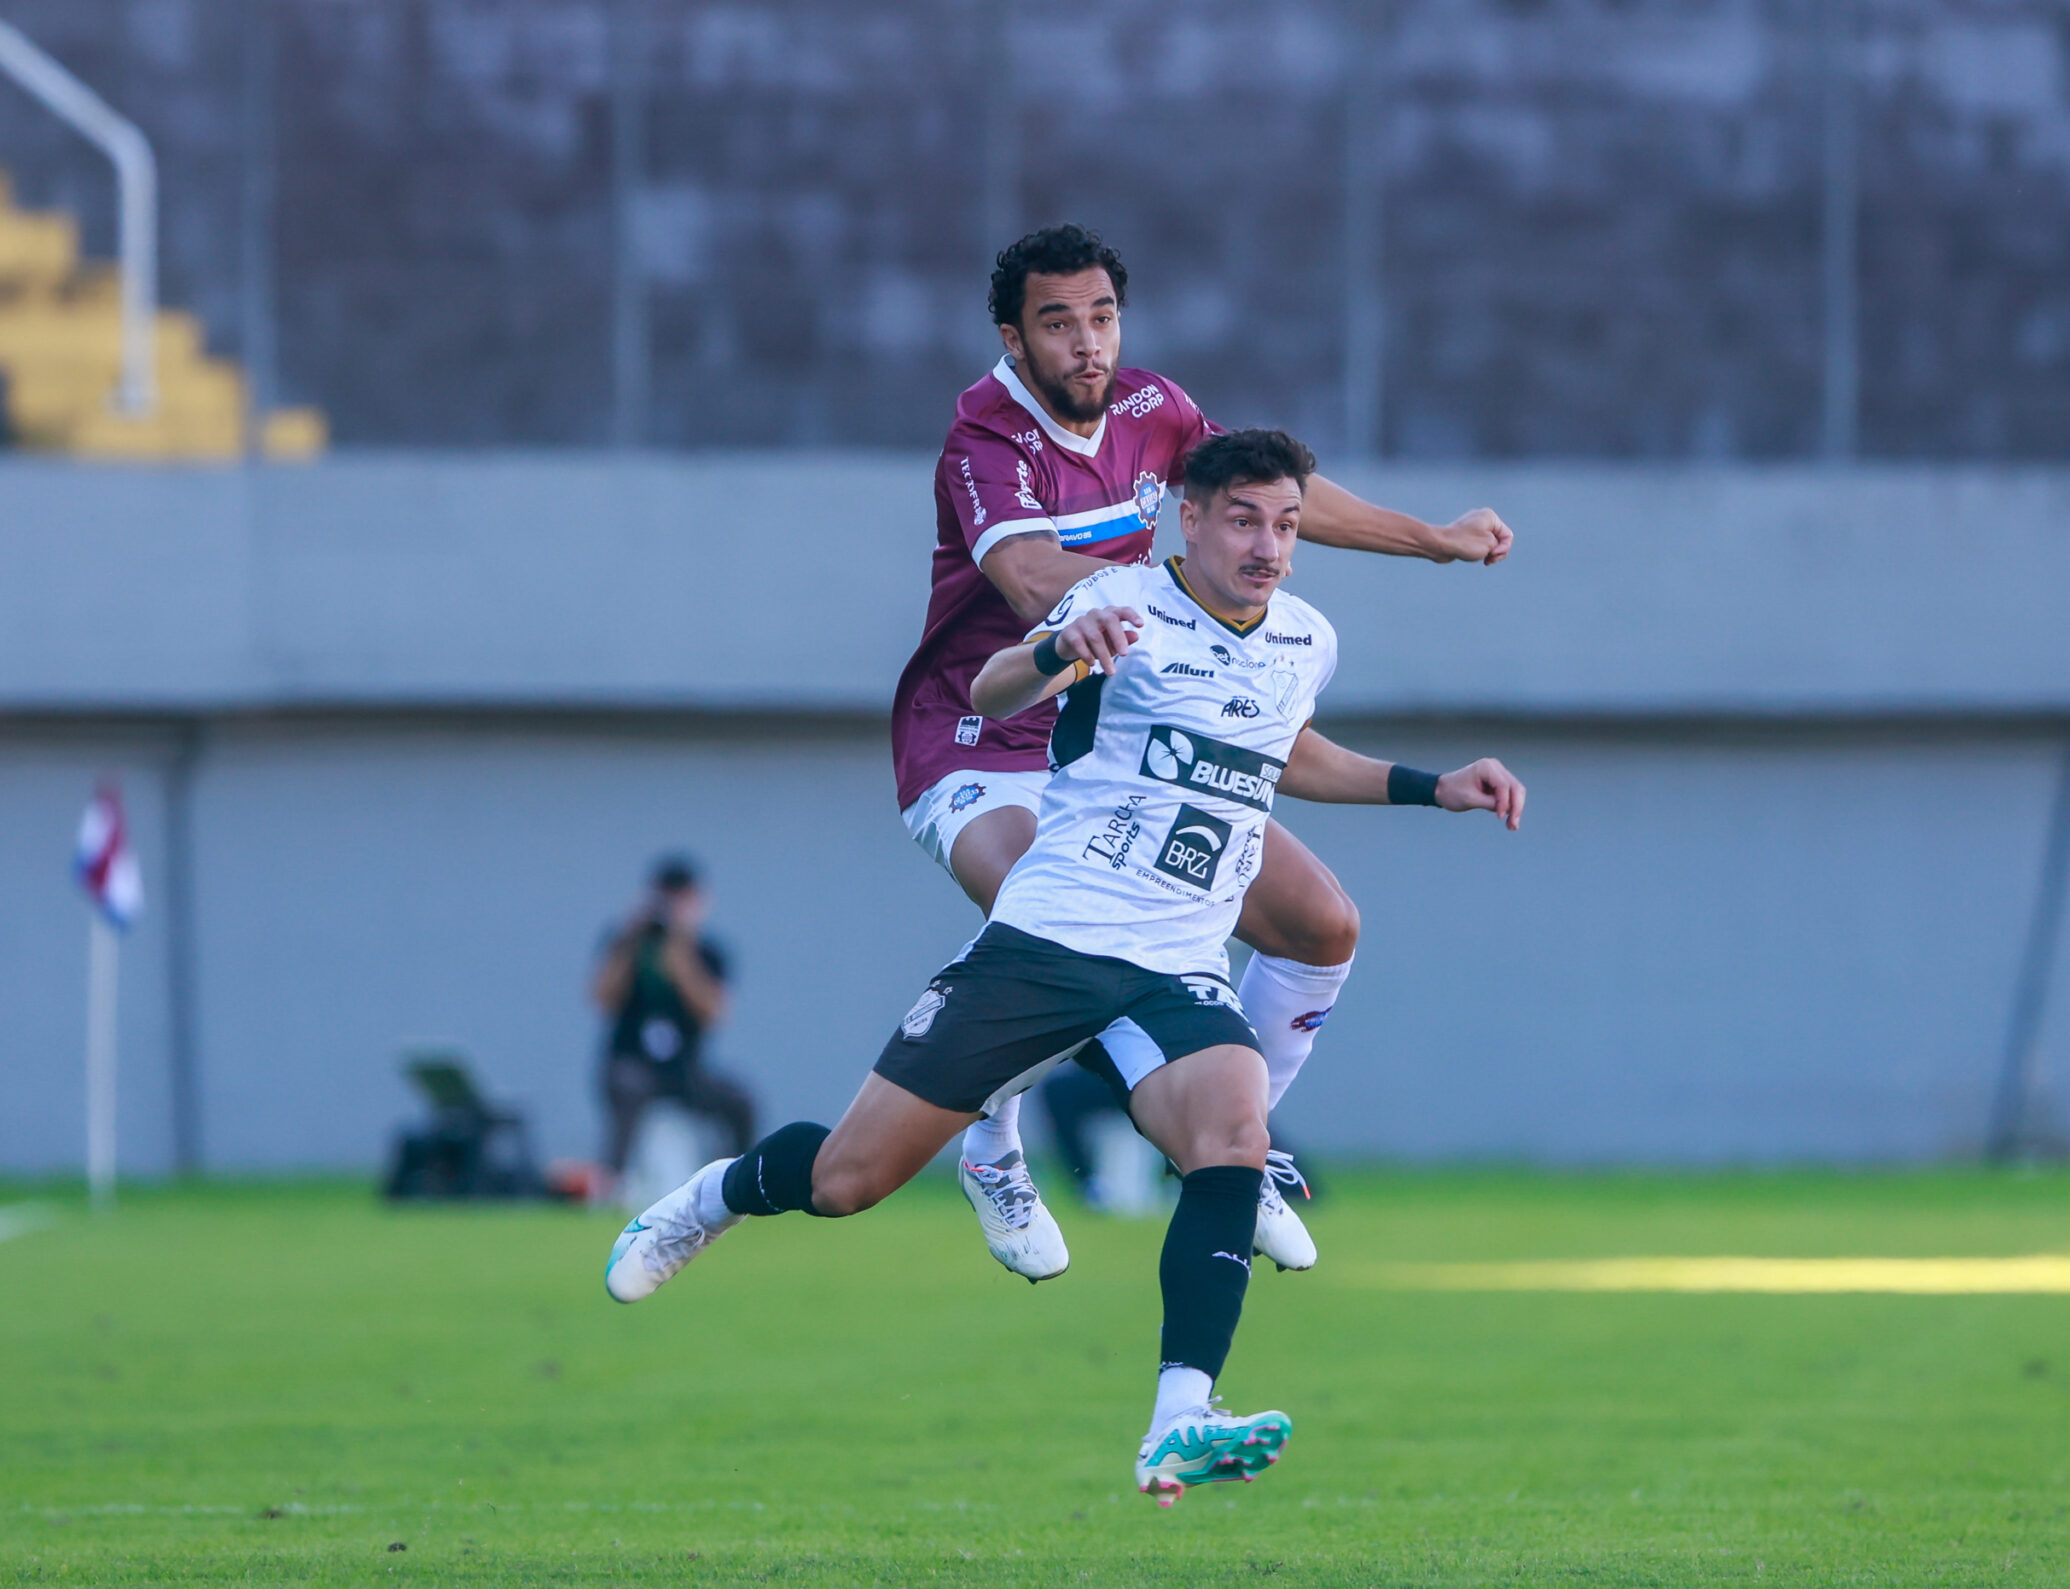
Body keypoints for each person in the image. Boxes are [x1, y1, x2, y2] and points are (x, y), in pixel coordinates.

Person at [608, 431, 1525, 1504]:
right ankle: (709, 1199)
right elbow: (994, 691)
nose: (1268, 545)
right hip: (1047, 945)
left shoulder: (1305, 638)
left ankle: (1181, 1418)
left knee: (1235, 1134)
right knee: (845, 1182)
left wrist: (1432, 786)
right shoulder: (1124, 599)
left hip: (1179, 962)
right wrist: (1058, 648)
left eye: (1284, 523)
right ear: (1189, 516)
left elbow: (1285, 753)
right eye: (1242, 520)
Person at [898, 224, 1515, 1282]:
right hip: (985, 733)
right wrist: (1170, 631)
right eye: (1057, 323)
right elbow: (1043, 587)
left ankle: (1237, 1150)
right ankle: (992, 1142)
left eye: (1102, 316)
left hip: (1128, 735)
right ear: (1012, 336)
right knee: (1051, 925)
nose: (1087, 343)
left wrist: (1435, 539)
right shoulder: (984, 444)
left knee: (1322, 925)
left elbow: (1271, 489)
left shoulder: (1154, 408)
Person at [590, 856, 756, 1180]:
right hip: (631, 1062)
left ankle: (739, 1180)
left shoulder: (708, 951)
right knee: (626, 1091)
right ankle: (613, 1182)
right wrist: (631, 939)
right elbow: (602, 998)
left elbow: (713, 1012)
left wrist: (680, 947)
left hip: (686, 1070)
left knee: (740, 1100)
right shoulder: (625, 943)